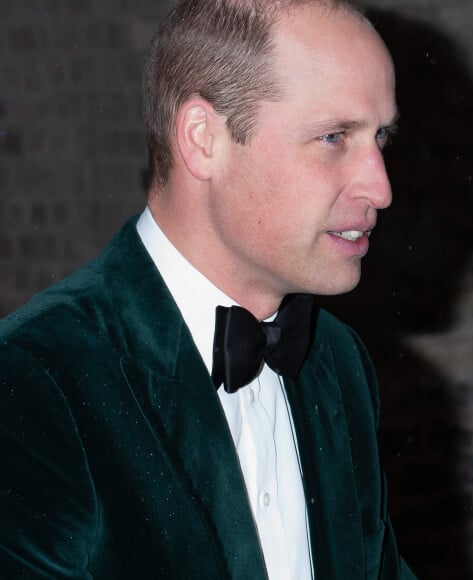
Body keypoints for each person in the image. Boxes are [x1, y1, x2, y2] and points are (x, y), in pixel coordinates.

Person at [0, 0, 416, 578]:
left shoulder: (336, 361)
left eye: (380, 138)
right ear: (203, 140)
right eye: (333, 137)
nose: (381, 186)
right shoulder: (33, 381)